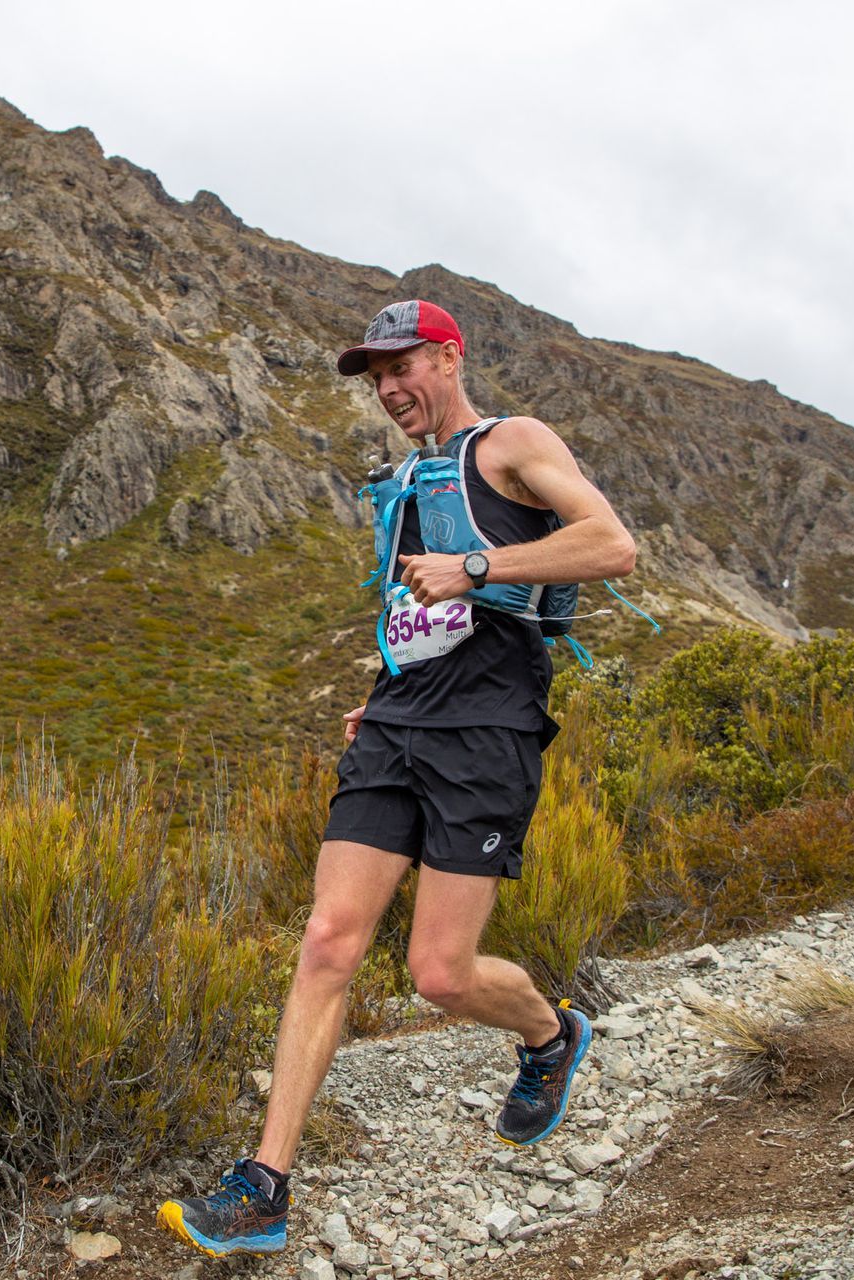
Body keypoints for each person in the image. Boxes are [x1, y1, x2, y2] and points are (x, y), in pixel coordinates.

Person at [159, 299, 638, 1258]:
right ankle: (264, 1189)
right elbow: (413, 610)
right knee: (329, 942)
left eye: (402, 367)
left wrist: (475, 562)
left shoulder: (513, 444)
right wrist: (385, 687)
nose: (387, 389)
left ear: (449, 358)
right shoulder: (405, 480)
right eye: (375, 377)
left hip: (488, 735)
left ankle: (549, 1036)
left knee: (439, 976)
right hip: (396, 724)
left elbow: (613, 544)